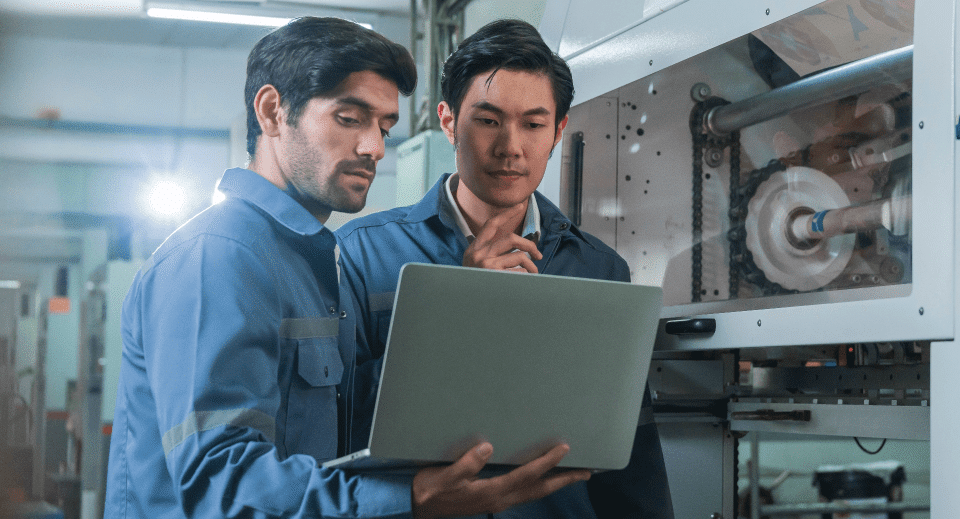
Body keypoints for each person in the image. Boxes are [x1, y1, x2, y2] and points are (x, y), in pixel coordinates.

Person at [104, 17, 587, 519]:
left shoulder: (311, 260)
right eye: (349, 118)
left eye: (383, 126)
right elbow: (221, 483)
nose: (374, 148)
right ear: (273, 111)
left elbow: (352, 423)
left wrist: (467, 320)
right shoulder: (218, 256)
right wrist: (410, 498)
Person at [337, 19, 676, 519]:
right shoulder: (361, 257)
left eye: (534, 125)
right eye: (488, 120)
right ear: (449, 122)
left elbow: (629, 452)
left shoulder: (600, 269)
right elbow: (338, 428)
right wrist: (459, 311)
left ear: (559, 130)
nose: (510, 147)